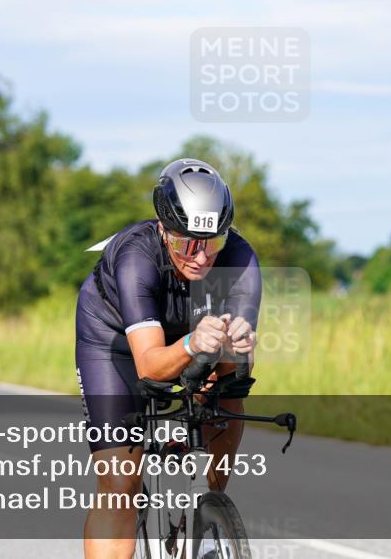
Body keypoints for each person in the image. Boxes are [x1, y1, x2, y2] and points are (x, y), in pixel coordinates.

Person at [75, 158, 260, 558]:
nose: (200, 256)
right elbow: (150, 366)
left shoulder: (240, 258)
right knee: (120, 484)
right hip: (116, 341)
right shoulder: (136, 256)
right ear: (164, 229)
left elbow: (236, 371)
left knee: (229, 392)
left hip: (191, 331)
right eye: (186, 243)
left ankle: (203, 514)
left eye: (212, 242)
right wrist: (193, 344)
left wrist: (235, 350)